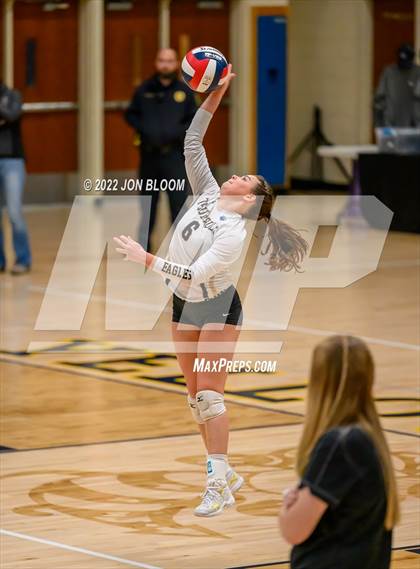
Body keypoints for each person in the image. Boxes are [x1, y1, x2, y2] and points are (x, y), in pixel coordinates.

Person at [114, 65, 307, 517]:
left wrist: (146, 258)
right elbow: (192, 141)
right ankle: (225, 473)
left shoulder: (234, 233)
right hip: (184, 305)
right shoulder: (206, 192)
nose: (236, 175)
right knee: (194, 400)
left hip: (218, 307)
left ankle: (217, 485)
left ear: (249, 198)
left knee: (210, 397)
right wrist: (217, 91)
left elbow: (195, 273)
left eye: (245, 178)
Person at [279, 335, 399, 569]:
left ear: (318, 381)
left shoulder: (340, 444)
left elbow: (293, 530)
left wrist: (287, 507)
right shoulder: (367, 438)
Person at [125, 48, 197, 250]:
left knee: (178, 204)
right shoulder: (144, 90)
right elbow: (130, 114)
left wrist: (178, 132)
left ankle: (184, 248)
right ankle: (143, 248)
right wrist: (144, 128)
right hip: (149, 158)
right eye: (162, 60)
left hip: (174, 157)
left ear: (176, 64)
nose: (165, 65)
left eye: (170, 61)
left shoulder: (185, 92)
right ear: (156, 63)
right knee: (148, 205)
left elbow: (194, 118)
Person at [0, 80, 31, 274]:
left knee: (14, 212)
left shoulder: (13, 95)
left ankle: (23, 258)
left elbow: (11, 115)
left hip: (13, 161)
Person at [374, 43, 420, 127]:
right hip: (391, 124)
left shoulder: (418, 73)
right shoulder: (389, 72)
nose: (404, 64)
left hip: (414, 125)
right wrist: (379, 124)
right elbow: (379, 99)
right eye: (401, 60)